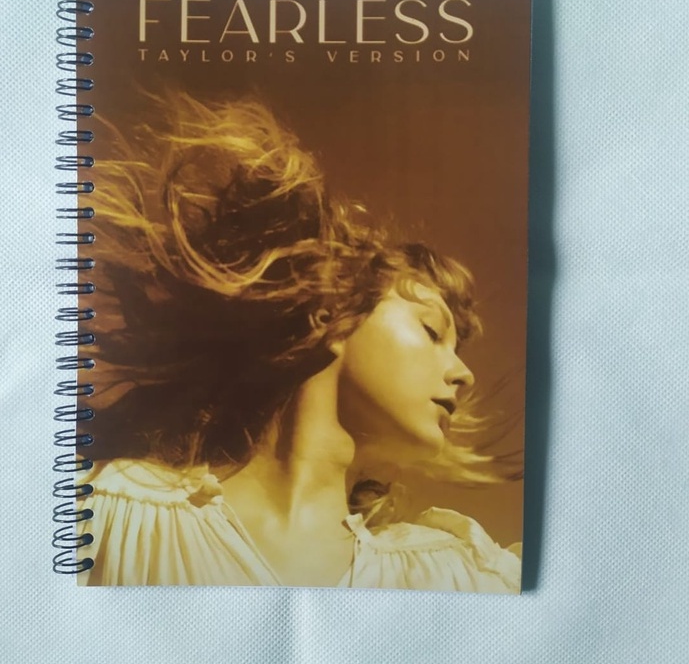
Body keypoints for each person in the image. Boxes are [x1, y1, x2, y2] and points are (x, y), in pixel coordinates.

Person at [75, 92, 521, 590]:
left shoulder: (460, 575)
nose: (465, 374)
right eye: (432, 331)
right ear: (332, 315)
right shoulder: (99, 518)